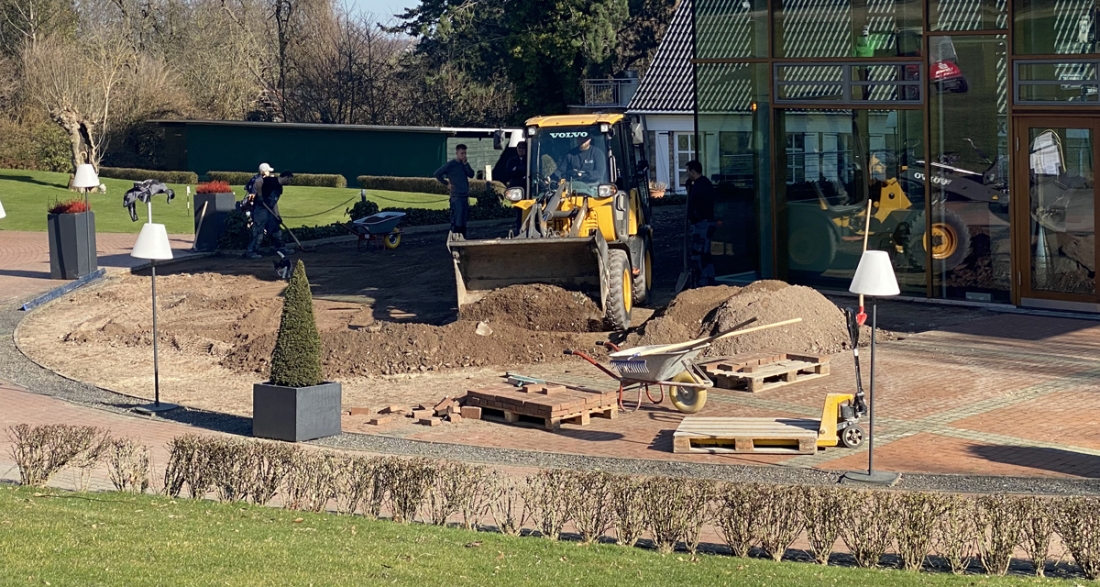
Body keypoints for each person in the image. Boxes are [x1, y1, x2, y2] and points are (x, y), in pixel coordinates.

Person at [246, 171, 293, 259]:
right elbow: (258, 182)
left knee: (275, 229)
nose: (289, 182)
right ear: (286, 178)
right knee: (258, 230)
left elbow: (274, 202)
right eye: (289, 180)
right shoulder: (270, 180)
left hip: (269, 209)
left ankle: (280, 248)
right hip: (260, 209)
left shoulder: (279, 188)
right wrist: (259, 196)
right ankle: (251, 251)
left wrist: (277, 215)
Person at [685, 160, 717, 287]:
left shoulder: (701, 186)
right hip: (705, 222)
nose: (687, 174)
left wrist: (694, 217)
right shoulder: (703, 184)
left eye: (688, 171)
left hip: (702, 223)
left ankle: (703, 282)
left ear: (693, 172)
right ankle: (710, 278)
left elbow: (698, 204)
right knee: (706, 253)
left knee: (698, 253)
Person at [434, 144, 475, 239]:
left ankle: (463, 239)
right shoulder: (451, 165)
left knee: (464, 220)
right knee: (457, 220)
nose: (463, 155)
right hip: (456, 196)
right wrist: (446, 183)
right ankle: (455, 240)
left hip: (465, 195)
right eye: (462, 153)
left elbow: (471, 174)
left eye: (465, 153)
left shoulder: (464, 164)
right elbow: (437, 173)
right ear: (457, 153)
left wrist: (466, 164)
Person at [504, 142, 527, 233]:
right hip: (517, 190)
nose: (520, 150)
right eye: (519, 148)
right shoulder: (512, 161)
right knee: (519, 212)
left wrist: (517, 169)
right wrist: (520, 169)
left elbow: (527, 170)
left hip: (528, 188)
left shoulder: (530, 159)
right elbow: (509, 173)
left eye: (523, 148)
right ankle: (519, 230)